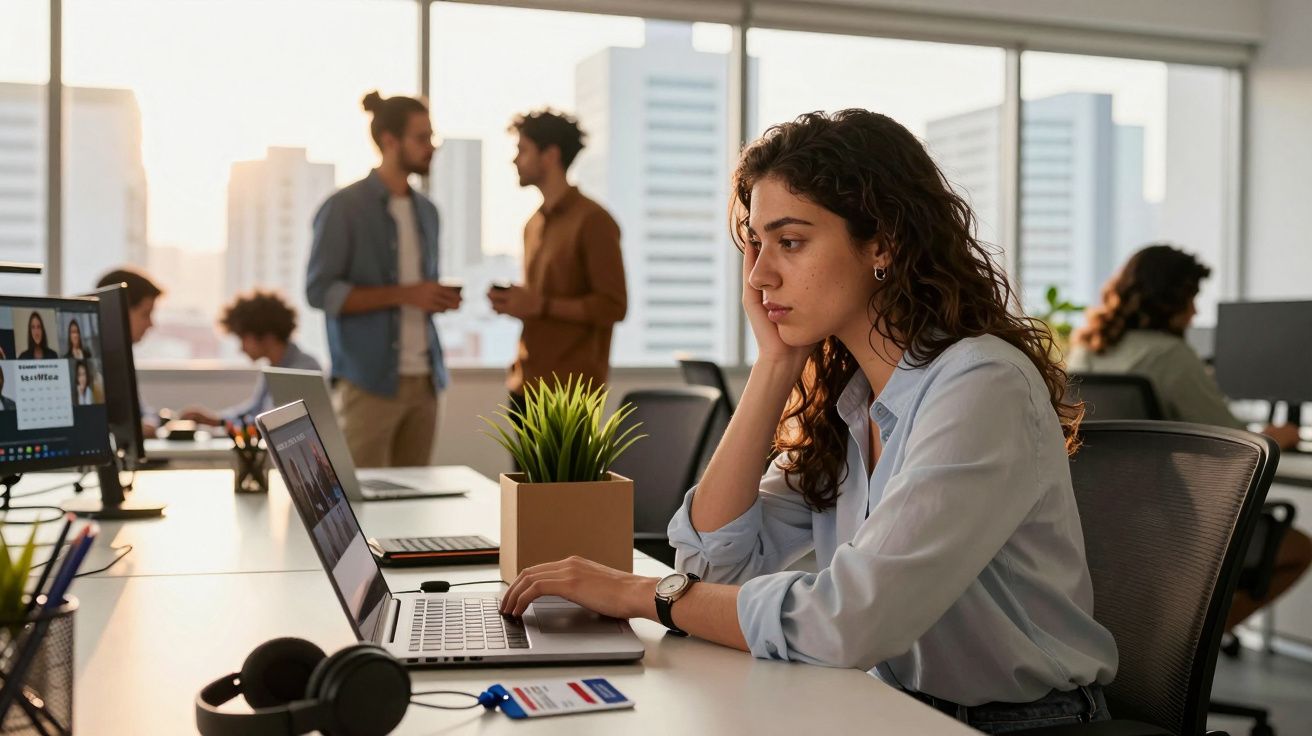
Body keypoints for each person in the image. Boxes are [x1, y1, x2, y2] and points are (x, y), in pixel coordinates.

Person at [498, 110, 1118, 732]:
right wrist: (775, 363)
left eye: (790, 242)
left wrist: (640, 593)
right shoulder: (849, 402)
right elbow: (710, 566)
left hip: (1023, 723)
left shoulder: (981, 384)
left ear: (882, 243)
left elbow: (849, 620)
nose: (760, 275)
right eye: (756, 246)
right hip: (885, 707)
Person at [1068, 243, 1312, 635]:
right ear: (1170, 300)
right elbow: (1236, 447)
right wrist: (1277, 436)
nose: (1196, 312)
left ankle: (1167, 653)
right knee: (1299, 549)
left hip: (1102, 530)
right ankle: (1191, 652)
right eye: (1192, 299)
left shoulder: (1085, 350)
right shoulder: (1169, 355)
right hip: (1175, 533)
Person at [306, 91, 460, 468]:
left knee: (416, 508)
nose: (431, 147)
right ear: (389, 141)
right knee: (364, 504)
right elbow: (320, 292)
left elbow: (418, 292)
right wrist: (407, 294)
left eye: (432, 137)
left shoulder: (428, 212)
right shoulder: (344, 207)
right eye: (421, 138)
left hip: (425, 382)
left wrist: (435, 298)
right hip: (368, 383)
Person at [491, 109, 625, 418]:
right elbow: (540, 303)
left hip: (570, 396)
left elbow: (613, 306)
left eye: (522, 150)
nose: (515, 160)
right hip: (524, 385)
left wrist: (540, 305)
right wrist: (518, 303)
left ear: (549, 155)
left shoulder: (594, 221)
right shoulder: (532, 225)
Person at [179, 290, 322, 426]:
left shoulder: (304, 371)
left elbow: (270, 423)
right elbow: (253, 411)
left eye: (243, 339)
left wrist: (219, 423)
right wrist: (215, 420)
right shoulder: (274, 368)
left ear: (267, 337)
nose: (241, 348)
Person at [96, 266, 165, 436]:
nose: (151, 324)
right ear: (119, 311)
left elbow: (142, 412)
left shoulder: (118, 359)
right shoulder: (92, 364)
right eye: (145, 314)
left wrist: (148, 422)